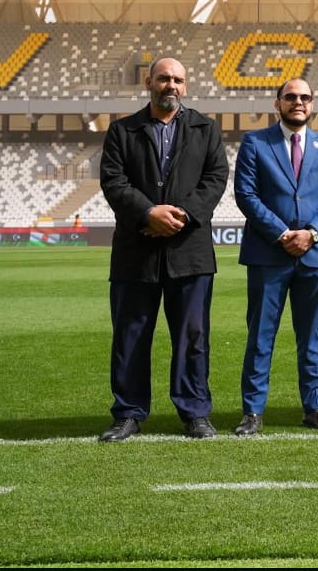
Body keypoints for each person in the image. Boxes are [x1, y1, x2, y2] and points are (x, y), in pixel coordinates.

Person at [97, 57, 228, 441]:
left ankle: (195, 412)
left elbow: (215, 178)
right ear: (149, 83)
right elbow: (113, 181)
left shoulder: (205, 128)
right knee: (130, 337)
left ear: (185, 86)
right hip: (135, 252)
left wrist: (182, 214)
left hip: (190, 252)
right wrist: (148, 213)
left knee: (192, 338)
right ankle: (128, 413)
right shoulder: (122, 130)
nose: (171, 85)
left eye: (178, 80)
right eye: (164, 78)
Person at [233, 78, 318, 435]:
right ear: (277, 103)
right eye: (291, 97)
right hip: (268, 254)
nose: (299, 102)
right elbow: (246, 195)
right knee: (260, 336)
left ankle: (313, 407)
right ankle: (253, 412)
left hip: (315, 256)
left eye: (305, 97)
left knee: (311, 336)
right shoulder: (255, 142)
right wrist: (282, 234)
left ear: (312, 104)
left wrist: (311, 233)